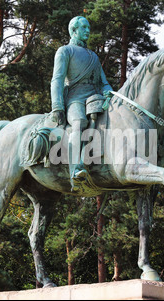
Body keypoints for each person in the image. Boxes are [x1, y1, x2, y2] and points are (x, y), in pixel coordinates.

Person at [50, 16, 112, 190]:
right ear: (73, 30)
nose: (87, 31)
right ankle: (75, 171)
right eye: (83, 27)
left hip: (95, 100)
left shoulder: (94, 56)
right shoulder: (65, 51)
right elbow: (57, 80)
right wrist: (57, 106)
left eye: (88, 28)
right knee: (78, 123)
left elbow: (103, 81)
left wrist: (108, 90)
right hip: (75, 99)